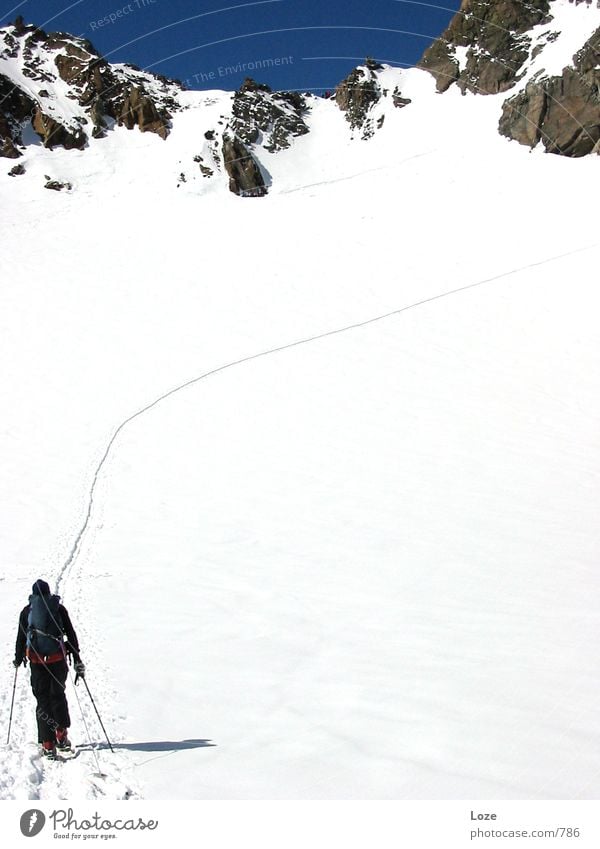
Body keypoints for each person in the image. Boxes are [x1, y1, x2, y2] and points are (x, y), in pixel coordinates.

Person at [13, 579, 85, 759]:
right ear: (48, 592)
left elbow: (21, 637)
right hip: (57, 661)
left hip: (37, 662)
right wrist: (77, 659)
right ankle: (61, 736)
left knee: (43, 700)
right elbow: (71, 635)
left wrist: (17, 658)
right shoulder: (58, 609)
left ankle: (47, 743)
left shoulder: (27, 611)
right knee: (58, 696)